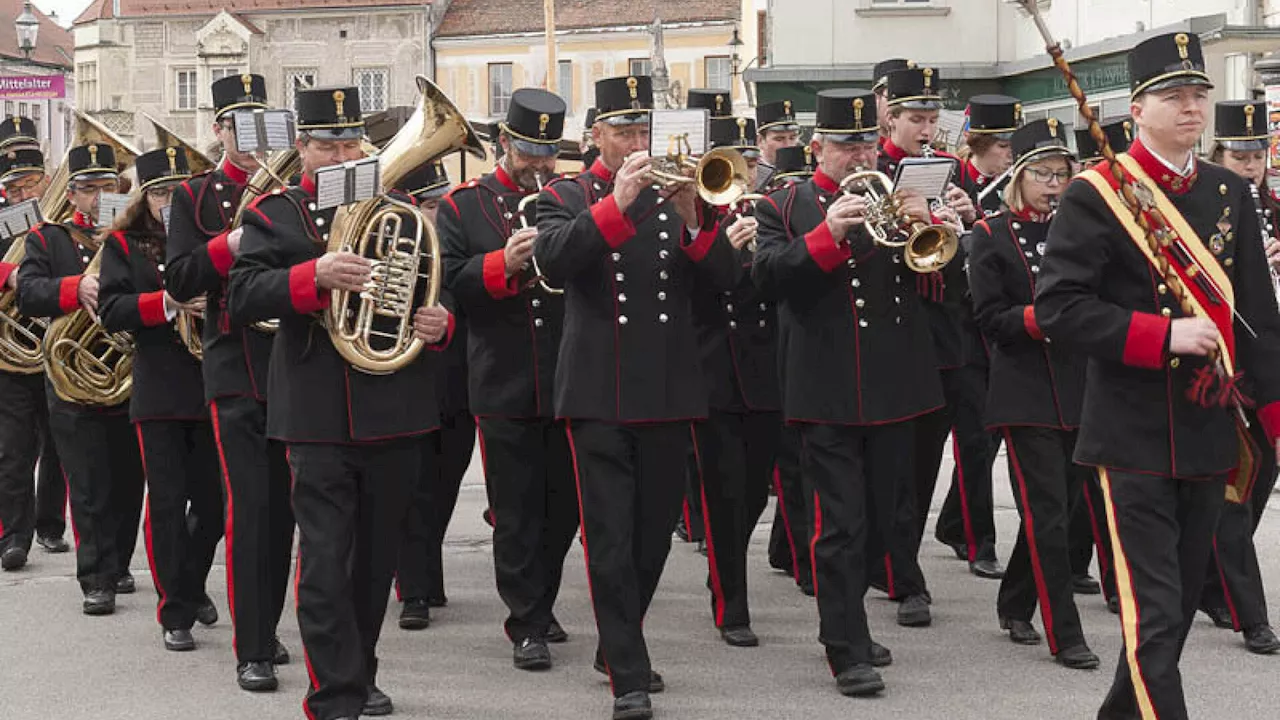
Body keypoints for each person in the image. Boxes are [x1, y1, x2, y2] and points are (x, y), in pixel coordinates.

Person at [1035, 32, 1280, 720]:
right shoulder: (1100, 193)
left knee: (1165, 612)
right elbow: (1060, 308)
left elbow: (1258, 316)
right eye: (1174, 96)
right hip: (1131, 431)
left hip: (1209, 428)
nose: (1192, 108)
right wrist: (1163, 333)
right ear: (1137, 110)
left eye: (1199, 94)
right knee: (1159, 609)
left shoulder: (1229, 189)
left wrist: (1272, 417)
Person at [227, 85, 454, 720]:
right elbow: (241, 297)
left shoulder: (402, 207)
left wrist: (441, 321)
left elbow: (438, 287)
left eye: (352, 143)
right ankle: (334, 694)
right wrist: (311, 278)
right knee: (326, 561)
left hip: (395, 408)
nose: (343, 154)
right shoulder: (277, 214)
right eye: (328, 145)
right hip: (317, 412)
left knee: (374, 563)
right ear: (302, 148)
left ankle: (362, 669)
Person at [535, 74, 736, 720]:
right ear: (596, 136)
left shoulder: (681, 193)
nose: (634, 143)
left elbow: (729, 282)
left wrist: (693, 220)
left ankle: (619, 639)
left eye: (642, 131)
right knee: (611, 538)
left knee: (651, 536)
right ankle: (627, 670)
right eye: (622, 132)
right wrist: (615, 204)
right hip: (596, 389)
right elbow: (554, 261)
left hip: (669, 388)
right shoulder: (566, 194)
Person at [754, 88, 942, 696]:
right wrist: (826, 237)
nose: (859, 155)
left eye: (866, 142)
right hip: (825, 390)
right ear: (818, 149)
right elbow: (766, 278)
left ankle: (852, 623)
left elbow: (936, 289)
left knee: (886, 520)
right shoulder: (786, 204)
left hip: (894, 387)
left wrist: (937, 229)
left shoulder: (898, 199)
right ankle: (844, 645)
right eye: (846, 145)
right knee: (840, 524)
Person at [438, 88, 578, 670]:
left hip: (567, 376)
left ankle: (541, 602)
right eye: (529, 151)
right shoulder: (464, 206)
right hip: (503, 377)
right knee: (516, 509)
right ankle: (525, 621)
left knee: (564, 508)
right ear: (503, 143)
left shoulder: (569, 198)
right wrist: (505, 264)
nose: (540, 164)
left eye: (548, 152)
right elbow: (450, 282)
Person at [165, 73, 294, 691]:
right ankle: (253, 647)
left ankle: (265, 626)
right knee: (251, 508)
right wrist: (231, 242)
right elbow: (181, 279)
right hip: (235, 365)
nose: (250, 138)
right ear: (218, 129)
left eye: (259, 124)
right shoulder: (195, 196)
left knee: (287, 512)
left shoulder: (293, 190)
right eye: (237, 124)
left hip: (294, 364)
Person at [967, 119, 1100, 669]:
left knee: (1064, 512)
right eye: (1043, 174)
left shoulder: (1082, 231)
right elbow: (988, 318)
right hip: (1024, 392)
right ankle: (1063, 632)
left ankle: (1015, 599)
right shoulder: (990, 234)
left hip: (1080, 388)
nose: (1054, 184)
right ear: (1018, 176)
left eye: (1062, 174)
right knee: (1046, 513)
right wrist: (1040, 319)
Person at [97, 147, 223, 651]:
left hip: (209, 383)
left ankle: (189, 584)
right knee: (168, 503)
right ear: (144, 198)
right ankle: (175, 610)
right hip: (159, 388)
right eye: (160, 193)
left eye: (177, 192)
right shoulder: (124, 245)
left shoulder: (204, 239)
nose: (169, 202)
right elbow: (110, 309)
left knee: (214, 505)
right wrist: (167, 303)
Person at [879, 67, 1000, 583]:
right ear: (891, 118)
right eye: (915, 119)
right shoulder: (876, 169)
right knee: (899, 463)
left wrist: (966, 220)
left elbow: (969, 252)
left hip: (950, 326)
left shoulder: (948, 168)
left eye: (931, 118)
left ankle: (925, 549)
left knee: (938, 453)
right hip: (898, 330)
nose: (925, 129)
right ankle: (900, 571)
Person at [18, 142, 146, 615]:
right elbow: (29, 292)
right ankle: (97, 577)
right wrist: (76, 288)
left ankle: (119, 561)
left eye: (106, 187)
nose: (97, 197)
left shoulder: (133, 235)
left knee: (130, 479)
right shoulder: (49, 239)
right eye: (88, 189)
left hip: (127, 374)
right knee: (88, 482)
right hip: (71, 377)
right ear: (71, 195)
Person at [687, 115, 781, 648]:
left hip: (764, 368)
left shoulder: (765, 211)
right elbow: (689, 285)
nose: (740, 170)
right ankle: (732, 606)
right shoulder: (691, 215)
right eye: (730, 159)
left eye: (747, 158)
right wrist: (721, 246)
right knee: (722, 494)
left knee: (754, 494)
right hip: (712, 370)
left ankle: (724, 571)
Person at [1194, 99, 1280, 654]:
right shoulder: (1206, 201)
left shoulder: (1273, 205)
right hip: (1219, 358)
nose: (1250, 165)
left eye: (1258, 154)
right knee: (1232, 479)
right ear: (1219, 153)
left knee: (1262, 472)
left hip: (1268, 355)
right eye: (1239, 154)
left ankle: (1212, 577)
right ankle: (1247, 609)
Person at [395, 158, 477, 631]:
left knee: (446, 483)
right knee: (416, 488)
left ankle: (427, 574)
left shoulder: (453, 241)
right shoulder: (401, 246)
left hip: (459, 378)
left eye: (441, 204)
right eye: (430, 205)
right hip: (413, 380)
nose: (439, 213)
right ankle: (414, 589)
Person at [1065, 116, 1132, 609]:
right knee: (1065, 498)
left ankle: (1112, 580)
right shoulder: (1087, 205)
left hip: (1103, 367)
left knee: (1094, 491)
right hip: (1047, 378)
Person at [0, 145, 69, 572]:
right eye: (14, 185)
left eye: (31, 181)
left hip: (54, 347)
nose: (24, 191)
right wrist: (11, 273)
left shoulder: (59, 224)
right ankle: (14, 535)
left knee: (61, 443)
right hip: (10, 354)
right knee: (14, 448)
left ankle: (51, 524)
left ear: (46, 179)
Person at [959, 95, 1020, 218]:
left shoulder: (1015, 183)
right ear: (980, 146)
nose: (1011, 153)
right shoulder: (958, 180)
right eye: (1003, 146)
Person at [754, 99, 801, 190]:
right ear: (760, 141)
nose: (788, 145)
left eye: (792, 138)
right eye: (779, 139)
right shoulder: (752, 175)